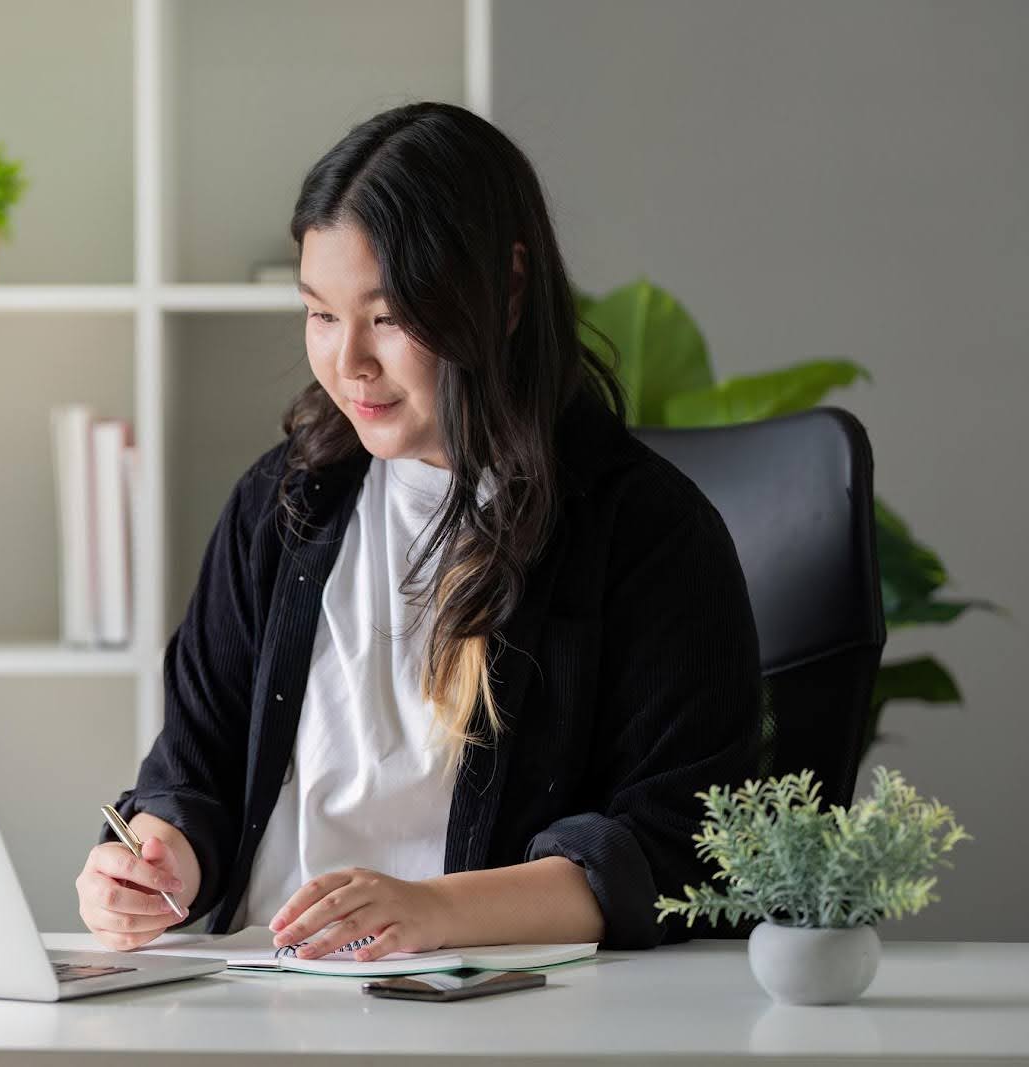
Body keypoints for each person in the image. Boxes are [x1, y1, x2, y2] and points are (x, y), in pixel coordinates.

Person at [77, 101, 761, 959]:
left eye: (389, 316)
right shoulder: (282, 503)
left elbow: (682, 848)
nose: (348, 362)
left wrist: (435, 910)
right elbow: (193, 768)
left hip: (491, 1011)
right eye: (321, 314)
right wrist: (155, 856)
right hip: (251, 996)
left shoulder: (646, 532)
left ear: (507, 291)